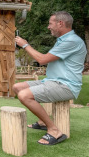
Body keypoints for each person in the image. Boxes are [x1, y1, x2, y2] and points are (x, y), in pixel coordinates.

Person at [13, 11, 87, 145]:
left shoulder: (72, 41)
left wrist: (25, 45)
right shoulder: (62, 40)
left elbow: (42, 60)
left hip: (66, 85)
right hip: (52, 81)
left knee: (24, 96)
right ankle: (42, 122)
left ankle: (54, 130)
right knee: (17, 87)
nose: (48, 27)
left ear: (60, 23)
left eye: (50, 23)